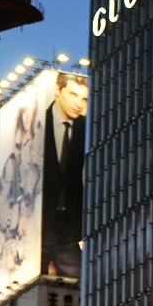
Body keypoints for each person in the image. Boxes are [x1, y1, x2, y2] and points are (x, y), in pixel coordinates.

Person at [42, 71, 88, 279]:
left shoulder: (87, 127)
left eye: (84, 98)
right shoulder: (38, 121)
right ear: (58, 91)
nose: (78, 103)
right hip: (38, 222)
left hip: (68, 225)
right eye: (72, 94)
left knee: (76, 281)